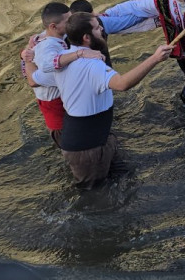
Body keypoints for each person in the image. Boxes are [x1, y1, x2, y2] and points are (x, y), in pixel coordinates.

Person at [34, 13, 170, 188]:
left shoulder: (62, 58)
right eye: (98, 28)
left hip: (100, 139)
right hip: (86, 149)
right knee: (94, 199)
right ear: (86, 37)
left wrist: (26, 58)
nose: (102, 30)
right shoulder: (93, 65)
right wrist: (155, 59)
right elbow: (122, 84)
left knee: (125, 177)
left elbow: (33, 79)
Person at [20, 1, 104, 147]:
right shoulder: (48, 47)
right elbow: (38, 74)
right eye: (68, 21)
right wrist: (80, 53)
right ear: (53, 26)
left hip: (63, 103)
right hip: (57, 111)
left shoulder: (41, 38)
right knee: (75, 150)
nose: (71, 23)